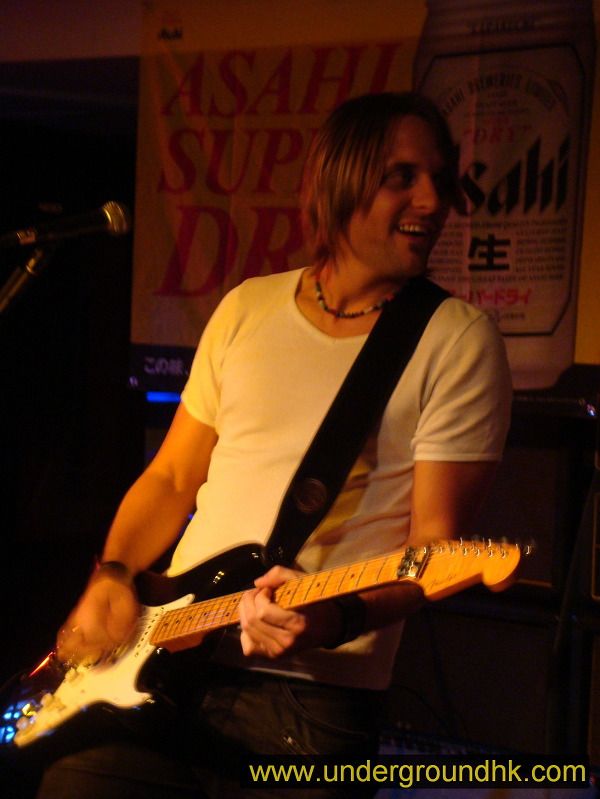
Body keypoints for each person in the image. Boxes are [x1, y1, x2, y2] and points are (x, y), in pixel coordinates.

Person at [35, 92, 512, 798]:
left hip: (309, 702)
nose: (433, 199)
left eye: (440, 178)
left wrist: (333, 615)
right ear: (340, 182)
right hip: (165, 655)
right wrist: (112, 574)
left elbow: (433, 550)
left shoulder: (457, 339)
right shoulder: (247, 307)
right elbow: (172, 478)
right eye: (402, 177)